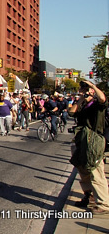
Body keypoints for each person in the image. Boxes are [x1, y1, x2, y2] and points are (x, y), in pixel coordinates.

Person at [69, 80, 109, 215]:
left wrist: (93, 87)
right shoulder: (83, 104)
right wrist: (80, 100)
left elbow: (103, 98)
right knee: (83, 169)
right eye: (83, 89)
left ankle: (103, 203)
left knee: (96, 171)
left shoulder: (98, 104)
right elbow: (71, 112)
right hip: (81, 140)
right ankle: (89, 195)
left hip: (94, 140)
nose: (85, 91)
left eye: (87, 89)